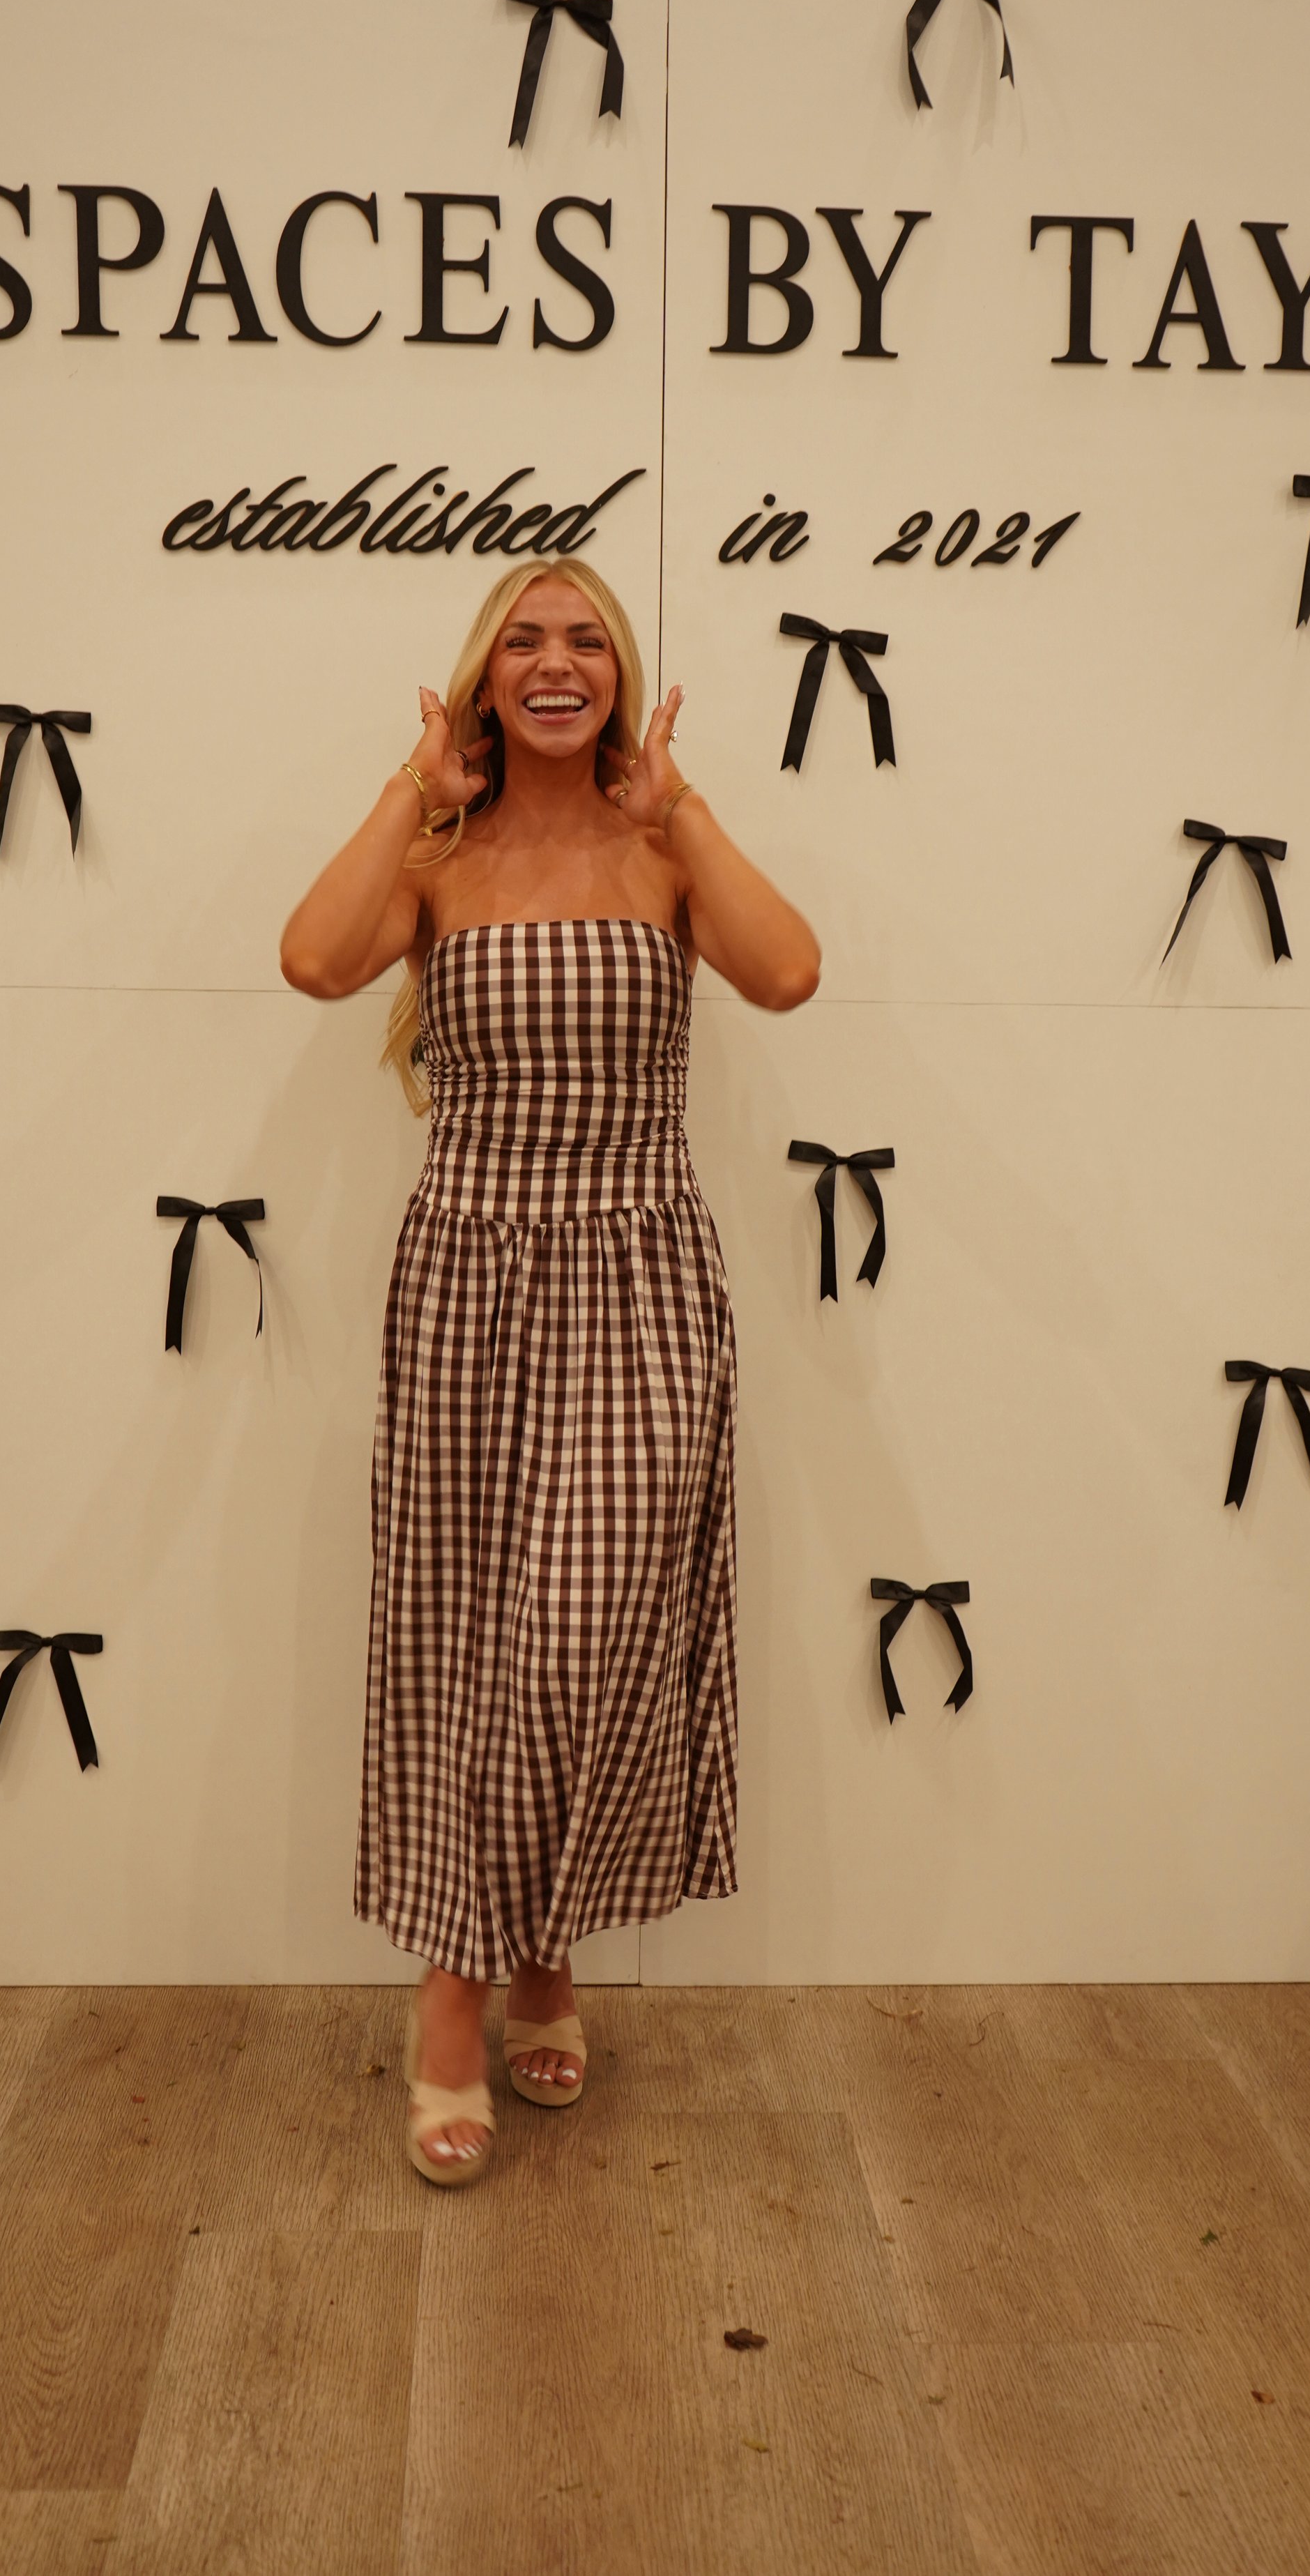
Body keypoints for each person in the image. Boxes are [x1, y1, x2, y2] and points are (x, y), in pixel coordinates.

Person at [280, 558, 819, 2183]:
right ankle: (503, 1971)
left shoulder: (661, 853)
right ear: (482, 679)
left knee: (583, 1631)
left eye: (584, 639)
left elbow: (787, 972)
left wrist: (684, 809)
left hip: (639, 1277)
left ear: (619, 674)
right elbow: (313, 961)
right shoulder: (439, 862)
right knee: (466, 1641)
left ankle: (486, 1964)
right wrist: (412, 789)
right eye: (522, 640)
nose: (555, 661)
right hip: (465, 1277)